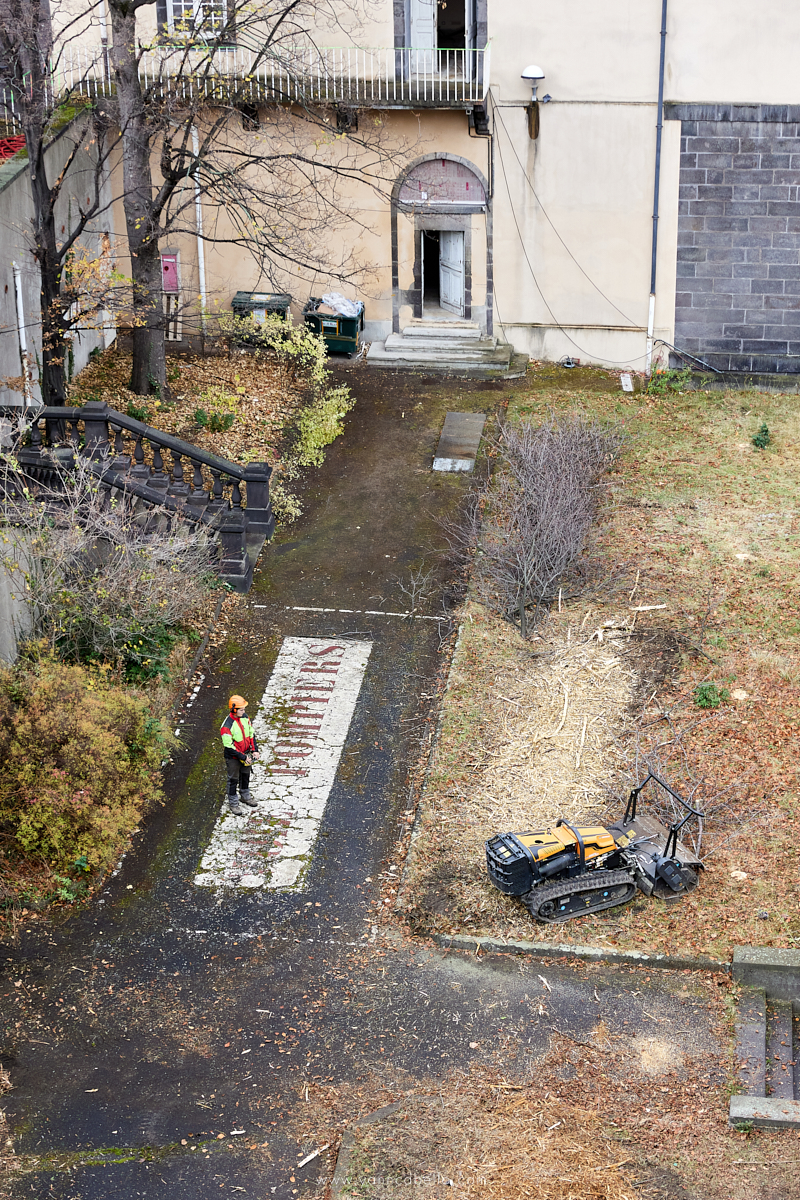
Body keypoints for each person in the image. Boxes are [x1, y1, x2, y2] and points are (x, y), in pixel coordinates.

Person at [220, 695, 260, 815]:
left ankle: (245, 796)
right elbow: (229, 746)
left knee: (245, 775)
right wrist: (243, 757)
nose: (244, 712)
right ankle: (233, 803)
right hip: (233, 757)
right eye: (241, 710)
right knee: (233, 779)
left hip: (246, 753)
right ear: (234, 710)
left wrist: (254, 750)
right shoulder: (226, 726)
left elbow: (251, 734)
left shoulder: (245, 718)